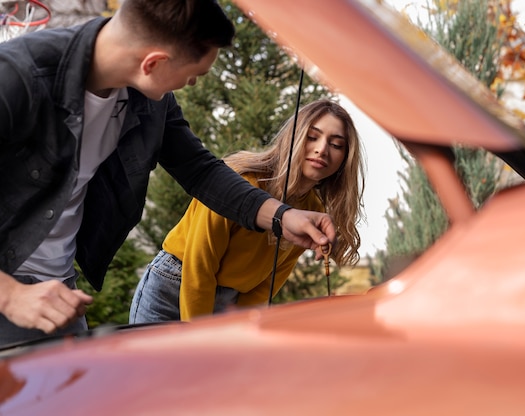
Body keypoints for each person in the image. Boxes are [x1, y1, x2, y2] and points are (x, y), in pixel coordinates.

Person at [0, 0, 336, 347]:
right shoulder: (17, 77)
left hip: (57, 290)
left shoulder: (149, 99)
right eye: (193, 75)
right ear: (154, 62)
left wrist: (283, 217)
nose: (190, 84)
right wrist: (11, 296)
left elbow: (200, 171)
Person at [129, 99, 365, 322]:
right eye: (312, 137)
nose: (322, 149)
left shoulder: (313, 211)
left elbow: (266, 285)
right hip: (176, 285)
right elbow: (200, 264)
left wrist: (241, 328)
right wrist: (198, 335)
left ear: (345, 158)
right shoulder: (242, 180)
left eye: (336, 145)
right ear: (294, 137)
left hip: (229, 300)